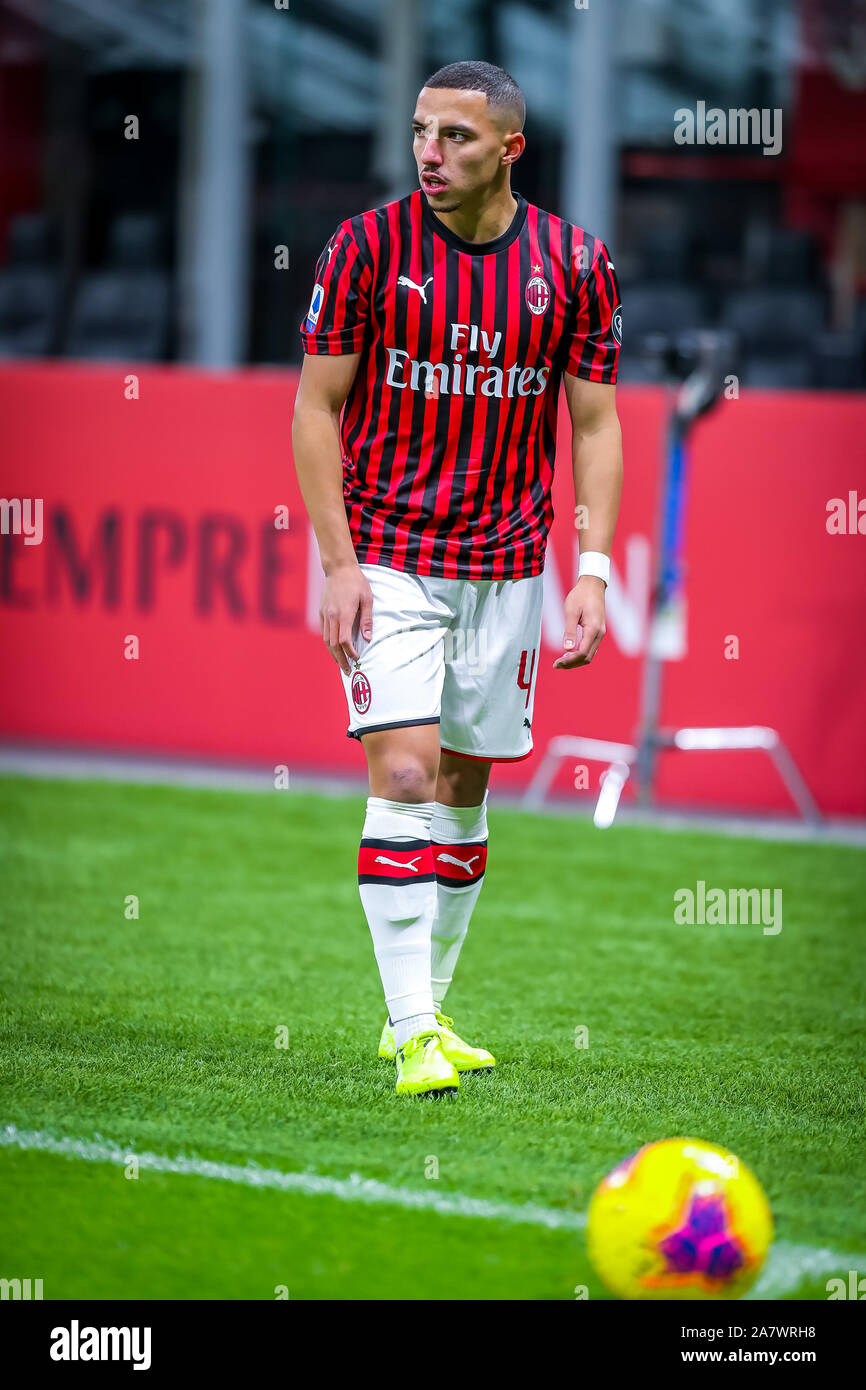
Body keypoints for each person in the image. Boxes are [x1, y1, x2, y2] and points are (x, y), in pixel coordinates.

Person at [292, 60, 622, 1098]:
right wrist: (338, 564)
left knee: (463, 785)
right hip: (388, 556)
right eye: (420, 133)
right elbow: (312, 411)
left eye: (457, 138)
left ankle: (428, 1010)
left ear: (510, 148)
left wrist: (594, 567)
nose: (429, 154)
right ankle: (409, 1032)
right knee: (399, 774)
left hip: (509, 566)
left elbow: (595, 423)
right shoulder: (363, 248)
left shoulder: (572, 263)